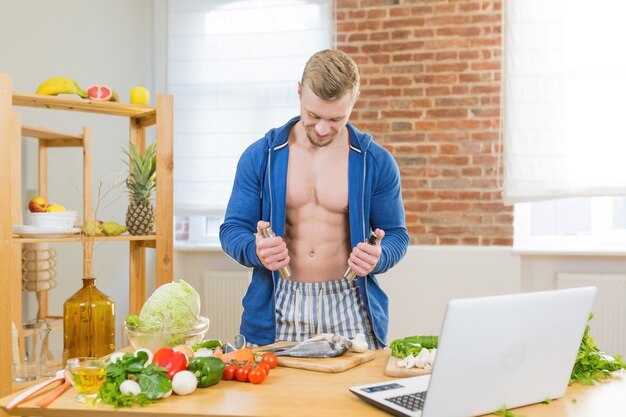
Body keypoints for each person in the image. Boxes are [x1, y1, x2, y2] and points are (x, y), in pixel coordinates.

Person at [219, 49, 409, 349]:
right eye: (313, 115)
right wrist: (256, 250)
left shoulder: (376, 161)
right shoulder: (260, 156)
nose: (322, 129)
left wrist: (379, 256)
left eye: (336, 119)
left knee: (352, 397)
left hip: (350, 305)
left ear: (353, 102)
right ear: (299, 92)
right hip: (279, 308)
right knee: (276, 398)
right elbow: (232, 230)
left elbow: (397, 235)